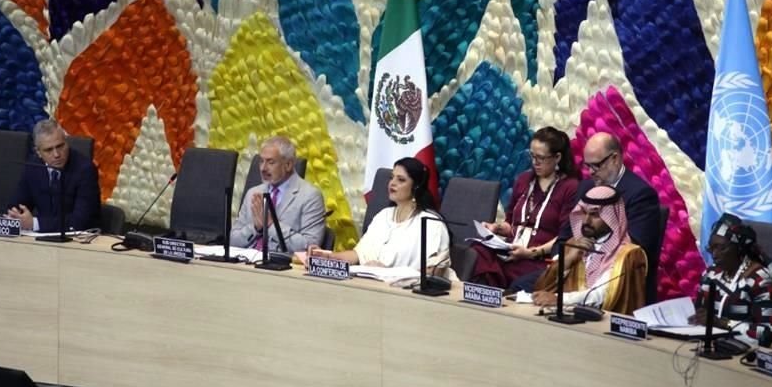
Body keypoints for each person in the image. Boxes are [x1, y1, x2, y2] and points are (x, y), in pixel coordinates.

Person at [511, 133, 661, 302]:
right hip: (573, 268)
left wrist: (588, 251)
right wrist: (563, 262)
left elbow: (633, 249)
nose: (590, 172)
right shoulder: (586, 187)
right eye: (587, 165)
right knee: (520, 287)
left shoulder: (640, 194)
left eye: (596, 166)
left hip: (611, 277)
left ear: (615, 159)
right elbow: (565, 236)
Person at [470, 127, 580, 288]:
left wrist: (530, 253)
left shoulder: (570, 187)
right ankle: (491, 291)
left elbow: (565, 237)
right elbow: (511, 224)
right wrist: (495, 228)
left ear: (557, 157)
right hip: (513, 251)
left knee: (506, 273)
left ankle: (496, 289)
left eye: (541, 158)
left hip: (538, 259)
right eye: (532, 156)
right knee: (478, 249)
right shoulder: (524, 180)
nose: (535, 162)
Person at [305, 157, 452, 276]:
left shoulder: (431, 224)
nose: (392, 183)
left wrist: (387, 272)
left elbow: (433, 273)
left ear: (416, 187)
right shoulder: (383, 216)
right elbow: (358, 255)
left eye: (401, 180)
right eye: (392, 177)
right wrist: (326, 257)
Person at [530, 185, 647, 313]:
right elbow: (542, 287)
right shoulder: (574, 244)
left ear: (612, 217)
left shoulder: (629, 254)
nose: (586, 221)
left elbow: (602, 295)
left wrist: (559, 299)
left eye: (594, 215)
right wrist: (568, 260)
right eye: (583, 213)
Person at [689, 213, 772, 346]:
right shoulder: (711, 274)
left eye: (721, 248)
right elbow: (699, 311)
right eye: (711, 248)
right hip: (709, 344)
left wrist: (723, 323)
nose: (714, 255)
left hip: (746, 350)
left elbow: (769, 333)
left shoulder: (762, 281)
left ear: (739, 249)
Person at [230, 136, 325, 253]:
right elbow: (232, 240)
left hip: (279, 263)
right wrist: (255, 228)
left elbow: (310, 247)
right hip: (245, 260)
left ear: (288, 165)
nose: (263, 168)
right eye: (261, 161)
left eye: (270, 162)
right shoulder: (253, 193)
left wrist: (271, 225)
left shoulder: (310, 196)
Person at [7, 119, 100, 232]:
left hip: (78, 238)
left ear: (66, 142)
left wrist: (35, 223)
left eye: (60, 146)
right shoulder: (33, 166)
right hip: (41, 237)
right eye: (49, 150)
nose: (56, 154)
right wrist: (16, 216)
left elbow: (81, 221)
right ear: (38, 152)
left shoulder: (84, 169)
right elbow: (17, 206)